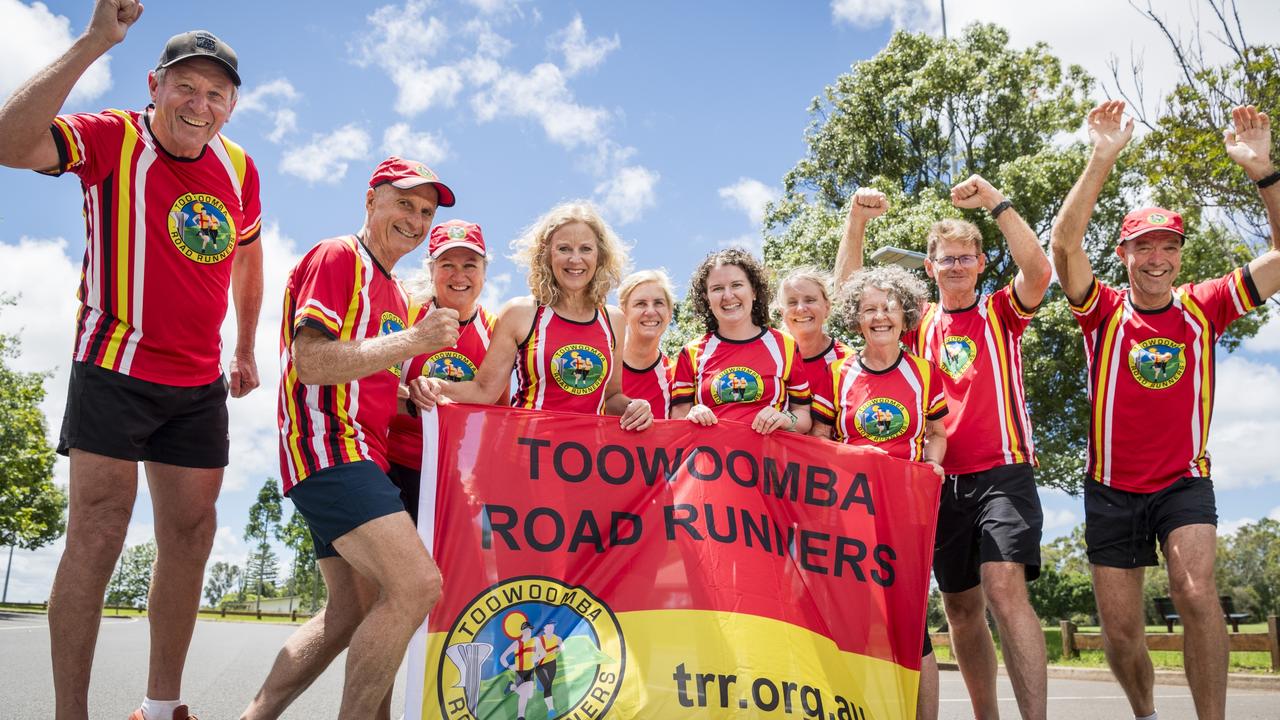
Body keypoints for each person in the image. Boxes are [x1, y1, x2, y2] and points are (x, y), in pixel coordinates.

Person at [0, 4, 263, 718]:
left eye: (216, 93)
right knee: (100, 528)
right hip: (114, 365)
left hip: (198, 381)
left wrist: (243, 345)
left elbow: (248, 251)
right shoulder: (111, 138)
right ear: (154, 85)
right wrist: (92, 41)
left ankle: (160, 703)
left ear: (232, 106)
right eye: (186, 86)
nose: (199, 104)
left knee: (191, 533)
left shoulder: (239, 168)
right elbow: (9, 143)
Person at [1050, 101, 1280, 720]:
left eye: (1168, 247)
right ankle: (1147, 714)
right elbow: (1062, 246)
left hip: (1184, 480)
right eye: (1143, 247)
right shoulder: (1100, 310)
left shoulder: (1205, 306)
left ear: (1181, 254)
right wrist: (1101, 157)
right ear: (1124, 255)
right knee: (1122, 637)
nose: (1157, 258)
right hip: (1110, 488)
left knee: (1197, 591)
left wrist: (1263, 173)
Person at [244, 157, 462, 720]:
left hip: (359, 452)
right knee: (416, 586)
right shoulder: (339, 256)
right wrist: (413, 341)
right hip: (329, 446)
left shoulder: (392, 291)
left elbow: (369, 371)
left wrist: (412, 388)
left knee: (347, 613)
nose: (415, 220)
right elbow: (312, 361)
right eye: (404, 204)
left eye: (425, 211)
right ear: (371, 201)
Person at [836, 176, 1052, 720]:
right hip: (933, 482)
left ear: (980, 263)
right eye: (945, 259)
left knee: (1005, 591)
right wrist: (856, 221)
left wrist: (996, 202)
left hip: (1002, 471)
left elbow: (1040, 271)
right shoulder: (917, 323)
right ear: (928, 268)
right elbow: (851, 296)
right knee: (959, 606)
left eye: (965, 257)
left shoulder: (1002, 311)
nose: (955, 266)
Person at [809, 265, 947, 720]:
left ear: (905, 314)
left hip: (903, 517)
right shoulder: (837, 374)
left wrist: (932, 464)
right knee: (854, 622)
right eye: (869, 309)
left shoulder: (926, 374)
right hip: (848, 518)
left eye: (888, 307)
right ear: (856, 319)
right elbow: (822, 436)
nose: (880, 316)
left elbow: (937, 431)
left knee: (911, 625)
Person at [414, 201, 652, 431]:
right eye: (564, 248)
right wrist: (434, 386)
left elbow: (611, 397)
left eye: (586, 249)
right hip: (525, 455)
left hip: (587, 460)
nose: (575, 259)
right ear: (547, 254)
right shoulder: (520, 314)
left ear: (600, 256)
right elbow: (483, 391)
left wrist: (633, 406)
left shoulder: (614, 320)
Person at [385, 219, 501, 523]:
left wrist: (483, 477)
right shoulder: (405, 314)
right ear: (431, 271)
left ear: (485, 272)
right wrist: (411, 395)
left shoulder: (496, 332)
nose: (459, 275)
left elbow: (501, 414)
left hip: (454, 474)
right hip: (391, 462)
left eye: (470, 265)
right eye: (447, 264)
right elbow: (374, 387)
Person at [671, 248, 812, 435]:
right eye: (717, 288)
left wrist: (787, 419)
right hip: (711, 460)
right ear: (706, 298)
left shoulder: (785, 345)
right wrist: (692, 415)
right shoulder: (691, 353)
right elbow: (678, 417)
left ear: (753, 291)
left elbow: (803, 414)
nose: (728, 296)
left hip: (769, 461)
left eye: (737, 285)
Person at [776, 267, 855, 396]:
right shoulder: (770, 354)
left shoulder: (848, 362)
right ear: (782, 312)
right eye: (792, 302)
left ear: (827, 307)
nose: (801, 308)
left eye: (810, 300)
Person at [619, 270, 677, 419]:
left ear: (669, 313)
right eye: (640, 304)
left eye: (658, 303)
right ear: (623, 313)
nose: (650, 311)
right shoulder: (603, 365)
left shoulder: (676, 377)